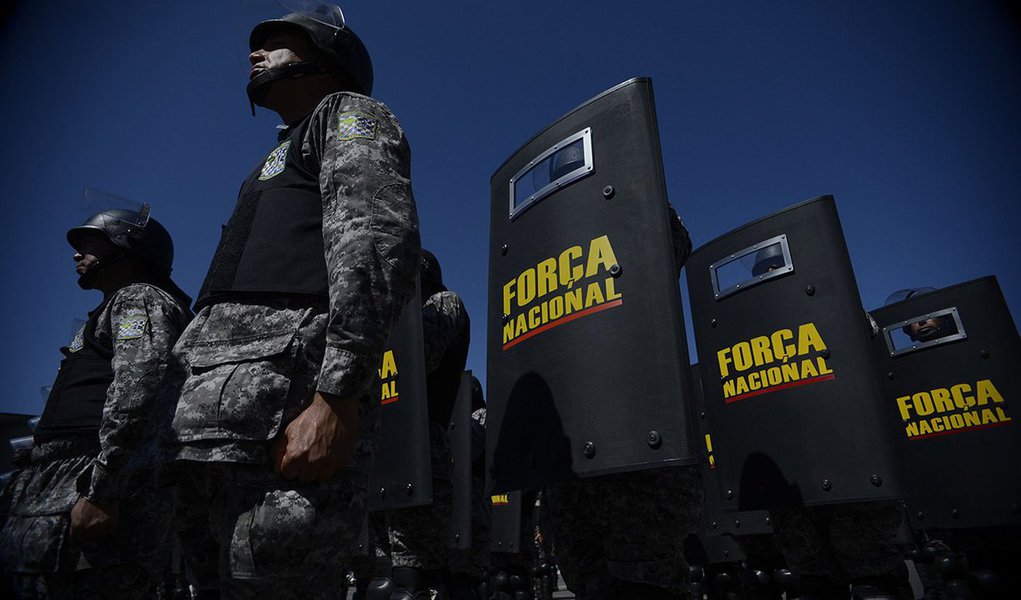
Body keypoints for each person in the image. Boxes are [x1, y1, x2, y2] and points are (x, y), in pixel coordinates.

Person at [161, 4, 420, 598]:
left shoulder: (349, 115)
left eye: (277, 42)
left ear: (326, 56)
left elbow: (373, 243)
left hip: (285, 417)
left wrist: (337, 396)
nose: (255, 53)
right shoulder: (270, 159)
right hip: (209, 428)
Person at [0, 206, 192, 599]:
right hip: (60, 479)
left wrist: (104, 490)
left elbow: (137, 391)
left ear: (129, 249)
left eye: (91, 243)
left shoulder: (139, 298)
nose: (77, 254)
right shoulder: (110, 309)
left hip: (92, 478)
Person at [542, 207, 704, 600]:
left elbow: (673, 243)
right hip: (572, 453)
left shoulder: (639, 204)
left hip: (639, 431)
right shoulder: (545, 243)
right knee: (590, 581)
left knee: (644, 582)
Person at [386, 250, 471, 599]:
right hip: (384, 451)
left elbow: (421, 354)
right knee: (379, 574)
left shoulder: (444, 303)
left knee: (415, 575)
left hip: (422, 452)